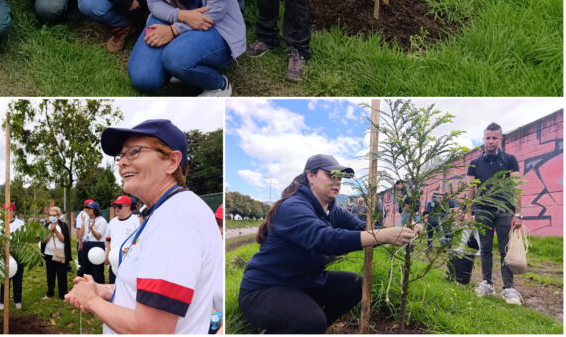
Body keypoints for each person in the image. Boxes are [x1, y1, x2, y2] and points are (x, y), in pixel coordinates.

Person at [66, 119, 220, 334]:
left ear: (172, 161)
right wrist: (103, 290)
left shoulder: (176, 218)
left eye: (134, 152)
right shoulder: (165, 211)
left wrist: (90, 300)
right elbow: (146, 294)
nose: (121, 163)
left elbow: (152, 329)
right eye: (121, 156)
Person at [238, 154, 419, 334]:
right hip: (264, 289)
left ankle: (314, 325)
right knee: (310, 321)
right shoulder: (293, 207)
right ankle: (279, 329)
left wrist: (405, 229)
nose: (337, 181)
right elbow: (324, 239)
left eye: (339, 178)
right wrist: (383, 235)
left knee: (356, 284)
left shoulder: (333, 211)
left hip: (305, 282)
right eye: (331, 175)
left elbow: (367, 230)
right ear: (311, 176)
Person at [465, 122, 524, 305]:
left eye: (494, 138)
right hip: (482, 210)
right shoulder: (474, 163)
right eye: (487, 138)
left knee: (505, 248)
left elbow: (516, 186)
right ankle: (487, 283)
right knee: (486, 248)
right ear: (483, 139)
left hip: (505, 209)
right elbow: (470, 189)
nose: (490, 141)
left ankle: (508, 288)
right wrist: (469, 213)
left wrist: (518, 214)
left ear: (500, 139)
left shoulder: (510, 159)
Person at [105, 196, 141, 285]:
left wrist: (131, 250)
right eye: (115, 206)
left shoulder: (136, 221)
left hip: (129, 262)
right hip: (114, 262)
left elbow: (140, 241)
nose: (116, 208)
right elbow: (108, 240)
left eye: (119, 206)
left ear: (128, 207)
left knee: (128, 288)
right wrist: (107, 255)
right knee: (113, 286)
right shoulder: (112, 222)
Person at [40, 205, 72, 301]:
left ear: (58, 216)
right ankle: (50, 292)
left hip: (59, 252)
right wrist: (50, 232)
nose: (52, 217)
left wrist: (56, 232)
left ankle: (63, 294)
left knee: (61, 274)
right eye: (50, 215)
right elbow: (43, 241)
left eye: (54, 215)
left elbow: (64, 240)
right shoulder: (46, 226)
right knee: (50, 274)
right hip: (48, 253)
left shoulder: (63, 226)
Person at [0, 202, 25, 310]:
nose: (7, 212)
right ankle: (2, 301)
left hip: (18, 254)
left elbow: (22, 239)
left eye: (9, 210)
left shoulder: (20, 223)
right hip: (4, 255)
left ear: (14, 212)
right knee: (4, 279)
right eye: (5, 210)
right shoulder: (0, 224)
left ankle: (17, 300)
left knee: (18, 279)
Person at [76, 200, 108, 285]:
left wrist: (91, 229)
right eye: (87, 208)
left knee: (97, 269)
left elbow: (98, 237)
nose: (87, 210)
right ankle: (87, 287)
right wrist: (83, 222)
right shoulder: (87, 220)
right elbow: (82, 234)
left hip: (96, 246)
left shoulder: (102, 221)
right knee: (86, 267)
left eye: (90, 208)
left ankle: (99, 287)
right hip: (87, 244)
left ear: (96, 210)